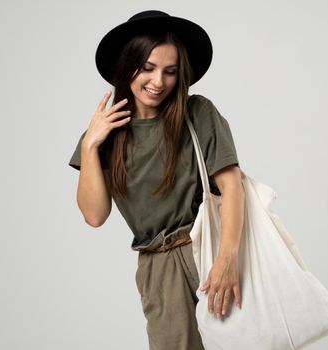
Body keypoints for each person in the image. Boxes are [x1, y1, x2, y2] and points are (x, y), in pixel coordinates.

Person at [68, 10, 245, 350]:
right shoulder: (103, 136)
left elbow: (232, 186)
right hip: (158, 265)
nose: (158, 81)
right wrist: (91, 145)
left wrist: (228, 259)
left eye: (170, 71)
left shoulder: (198, 112)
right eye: (147, 68)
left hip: (210, 249)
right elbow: (94, 215)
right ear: (127, 66)